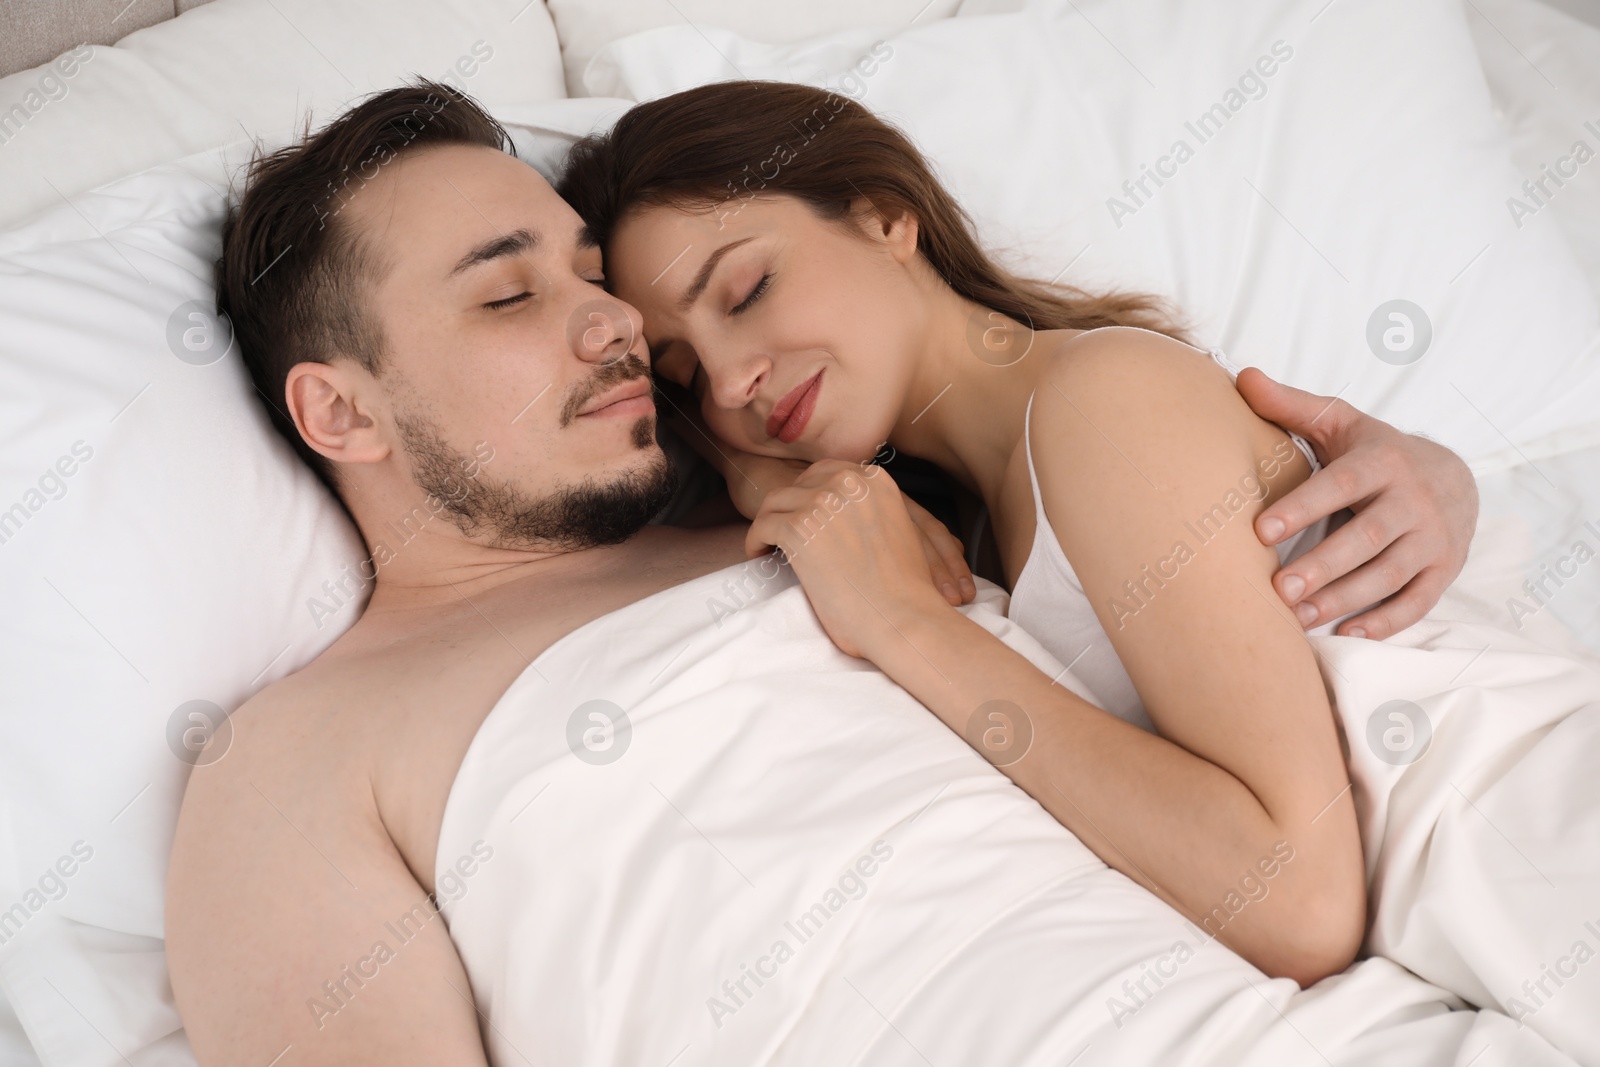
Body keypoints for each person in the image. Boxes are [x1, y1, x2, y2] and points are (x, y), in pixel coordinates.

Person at [164, 82, 1478, 1064]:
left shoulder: (858, 513)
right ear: (340, 414)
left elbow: (1183, 554)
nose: (616, 320)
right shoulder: (291, 765)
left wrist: (1434, 480)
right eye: (509, 298)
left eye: (589, 275)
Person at [557, 80, 1482, 985]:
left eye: (748, 290)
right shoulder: (977, 521)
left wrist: (910, 627)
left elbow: (1298, 906)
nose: (728, 384)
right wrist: (753, 469)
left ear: (886, 218)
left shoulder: (1101, 401)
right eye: (683, 376)